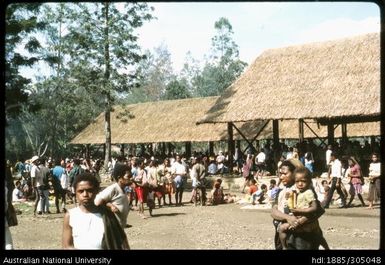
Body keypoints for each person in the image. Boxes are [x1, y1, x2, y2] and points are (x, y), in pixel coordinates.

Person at [62, 172, 129, 249]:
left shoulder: (107, 216)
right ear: (75, 192)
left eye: (89, 190)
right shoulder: (70, 215)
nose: (85, 195)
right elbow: (67, 246)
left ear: (97, 191)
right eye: (81, 191)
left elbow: (121, 243)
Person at [271, 159, 327, 250]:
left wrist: (300, 221)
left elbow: (318, 209)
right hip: (283, 234)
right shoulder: (282, 191)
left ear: (294, 173)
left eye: (285, 174)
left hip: (301, 236)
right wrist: (288, 218)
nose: (281, 177)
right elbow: (273, 211)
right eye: (280, 174)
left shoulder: (305, 191)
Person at [94, 163, 132, 229]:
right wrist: (110, 206)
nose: (131, 179)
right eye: (128, 177)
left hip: (120, 227)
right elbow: (97, 202)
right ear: (119, 178)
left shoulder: (123, 189)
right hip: (112, 228)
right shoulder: (113, 189)